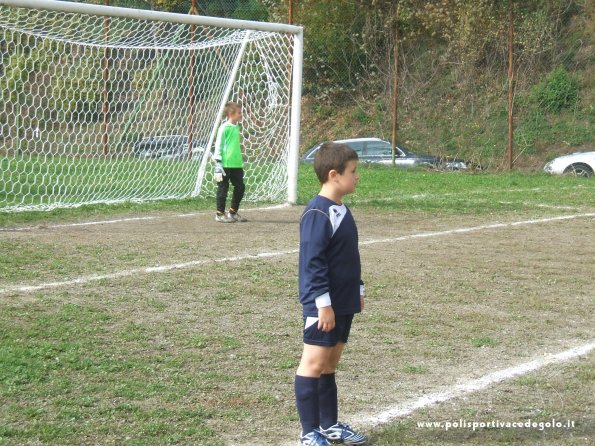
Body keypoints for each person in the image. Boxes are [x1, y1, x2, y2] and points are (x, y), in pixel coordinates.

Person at [295, 142, 367, 446]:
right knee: (313, 363)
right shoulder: (317, 213)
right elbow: (313, 263)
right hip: (324, 305)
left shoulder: (341, 209)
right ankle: (308, 432)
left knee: (330, 364)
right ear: (334, 175)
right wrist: (322, 305)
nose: (357, 177)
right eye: (353, 172)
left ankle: (329, 425)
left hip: (344, 302)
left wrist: (358, 288)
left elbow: (348, 256)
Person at [213, 101, 247, 223]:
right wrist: (218, 163)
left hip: (236, 164)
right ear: (231, 114)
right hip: (225, 164)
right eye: (239, 113)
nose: (241, 115)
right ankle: (220, 214)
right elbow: (219, 146)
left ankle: (233, 212)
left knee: (240, 187)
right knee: (223, 188)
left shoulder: (237, 127)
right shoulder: (224, 128)